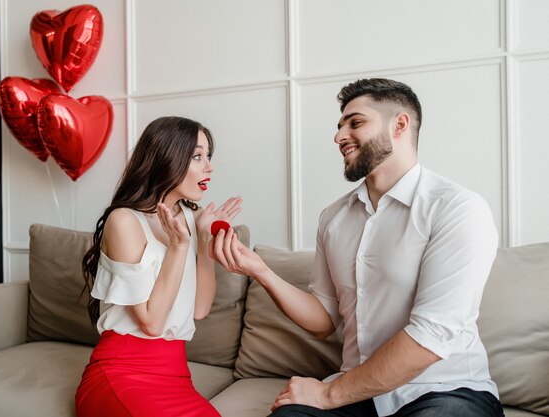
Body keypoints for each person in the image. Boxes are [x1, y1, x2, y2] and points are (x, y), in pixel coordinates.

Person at [210, 78, 504, 417]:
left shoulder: (457, 208)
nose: (338, 136)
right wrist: (259, 271)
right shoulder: (333, 219)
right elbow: (324, 320)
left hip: (444, 390)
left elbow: (432, 336)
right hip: (358, 394)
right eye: (339, 126)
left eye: (356, 122)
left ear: (400, 125)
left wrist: (329, 394)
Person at [75, 116, 242, 417]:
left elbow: (200, 309)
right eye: (198, 156)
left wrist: (202, 242)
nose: (209, 166)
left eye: (208, 156)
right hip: (122, 373)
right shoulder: (124, 221)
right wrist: (179, 247)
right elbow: (151, 323)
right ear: (168, 158)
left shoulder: (191, 218)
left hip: (176, 376)